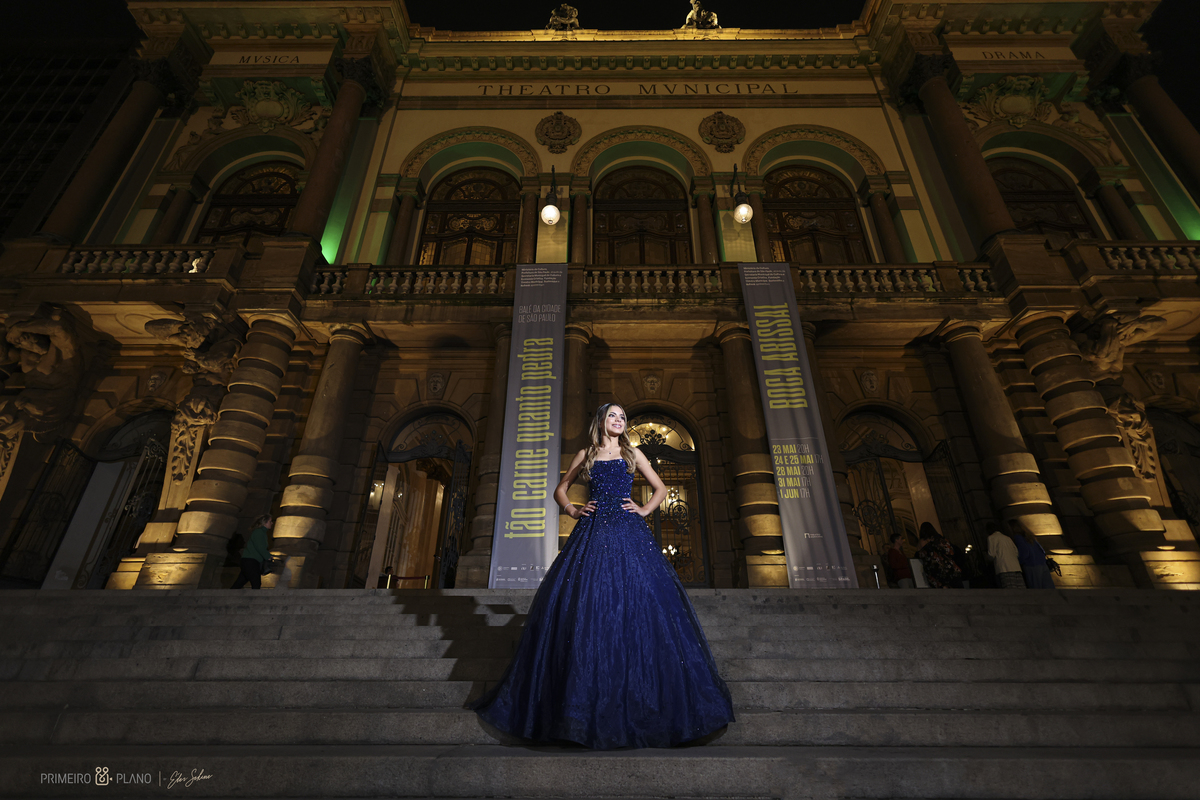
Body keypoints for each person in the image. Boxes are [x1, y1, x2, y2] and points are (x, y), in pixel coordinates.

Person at [471, 402, 734, 749]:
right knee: (588, 603)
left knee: (640, 604)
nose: (619, 420)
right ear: (601, 421)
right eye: (613, 415)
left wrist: (643, 510)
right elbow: (560, 488)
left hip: (628, 532)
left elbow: (660, 488)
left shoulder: (632, 452)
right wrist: (572, 509)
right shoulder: (587, 453)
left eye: (623, 417)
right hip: (593, 532)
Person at [914, 522, 962, 589]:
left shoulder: (921, 542)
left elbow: (919, 555)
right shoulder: (939, 539)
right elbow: (950, 551)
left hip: (934, 570)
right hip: (947, 568)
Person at [231, 514, 273, 589]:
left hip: (249, 561)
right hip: (251, 561)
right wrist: (268, 556)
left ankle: (227, 595)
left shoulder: (261, 532)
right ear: (265, 523)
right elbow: (260, 547)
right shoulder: (259, 532)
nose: (272, 523)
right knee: (256, 583)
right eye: (270, 521)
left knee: (239, 583)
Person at [1012, 523, 1056, 589]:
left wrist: (1019, 562)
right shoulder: (1030, 537)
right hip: (1042, 563)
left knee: (1035, 588)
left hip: (1031, 564)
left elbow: (1025, 552)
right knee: (1048, 588)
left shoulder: (1018, 537)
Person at [986, 522, 1025, 589]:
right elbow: (1016, 552)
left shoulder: (991, 538)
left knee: (1010, 588)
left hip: (1004, 568)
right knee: (1020, 588)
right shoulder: (1007, 538)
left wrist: (987, 558)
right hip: (1016, 567)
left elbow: (992, 554)